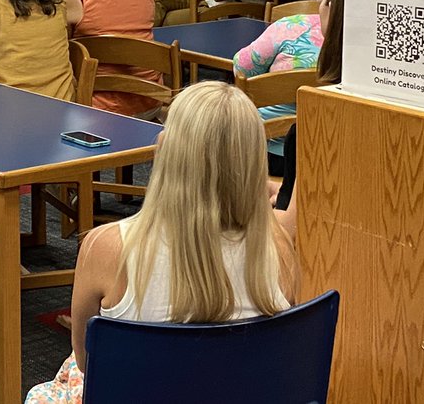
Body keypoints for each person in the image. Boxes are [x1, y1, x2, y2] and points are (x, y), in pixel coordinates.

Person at [25, 81, 297, 404]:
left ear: (165, 151)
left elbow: (87, 361)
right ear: (254, 164)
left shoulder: (107, 248)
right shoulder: (280, 248)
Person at [236, 0, 398, 175]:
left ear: (333, 6)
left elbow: (242, 69)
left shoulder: (291, 27)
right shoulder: (393, 64)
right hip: (347, 164)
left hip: (271, 154)